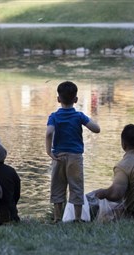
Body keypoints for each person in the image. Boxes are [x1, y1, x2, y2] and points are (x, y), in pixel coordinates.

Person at [45, 81, 100, 223]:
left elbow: (49, 133)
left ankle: (57, 218)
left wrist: (48, 150)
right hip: (75, 157)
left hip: (58, 156)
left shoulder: (54, 116)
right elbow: (96, 129)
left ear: (58, 99)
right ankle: (77, 218)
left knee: (57, 186)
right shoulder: (79, 116)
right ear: (75, 100)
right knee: (76, 187)